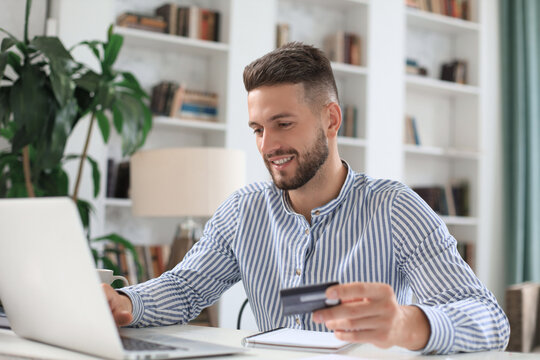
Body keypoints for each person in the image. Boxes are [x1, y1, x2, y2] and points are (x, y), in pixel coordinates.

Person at [104, 42, 510, 355]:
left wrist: (407, 322)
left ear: (331, 119)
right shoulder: (242, 211)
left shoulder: (394, 208)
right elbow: (186, 288)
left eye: (283, 124)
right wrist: (125, 302)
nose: (268, 145)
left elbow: (489, 319)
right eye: (258, 129)